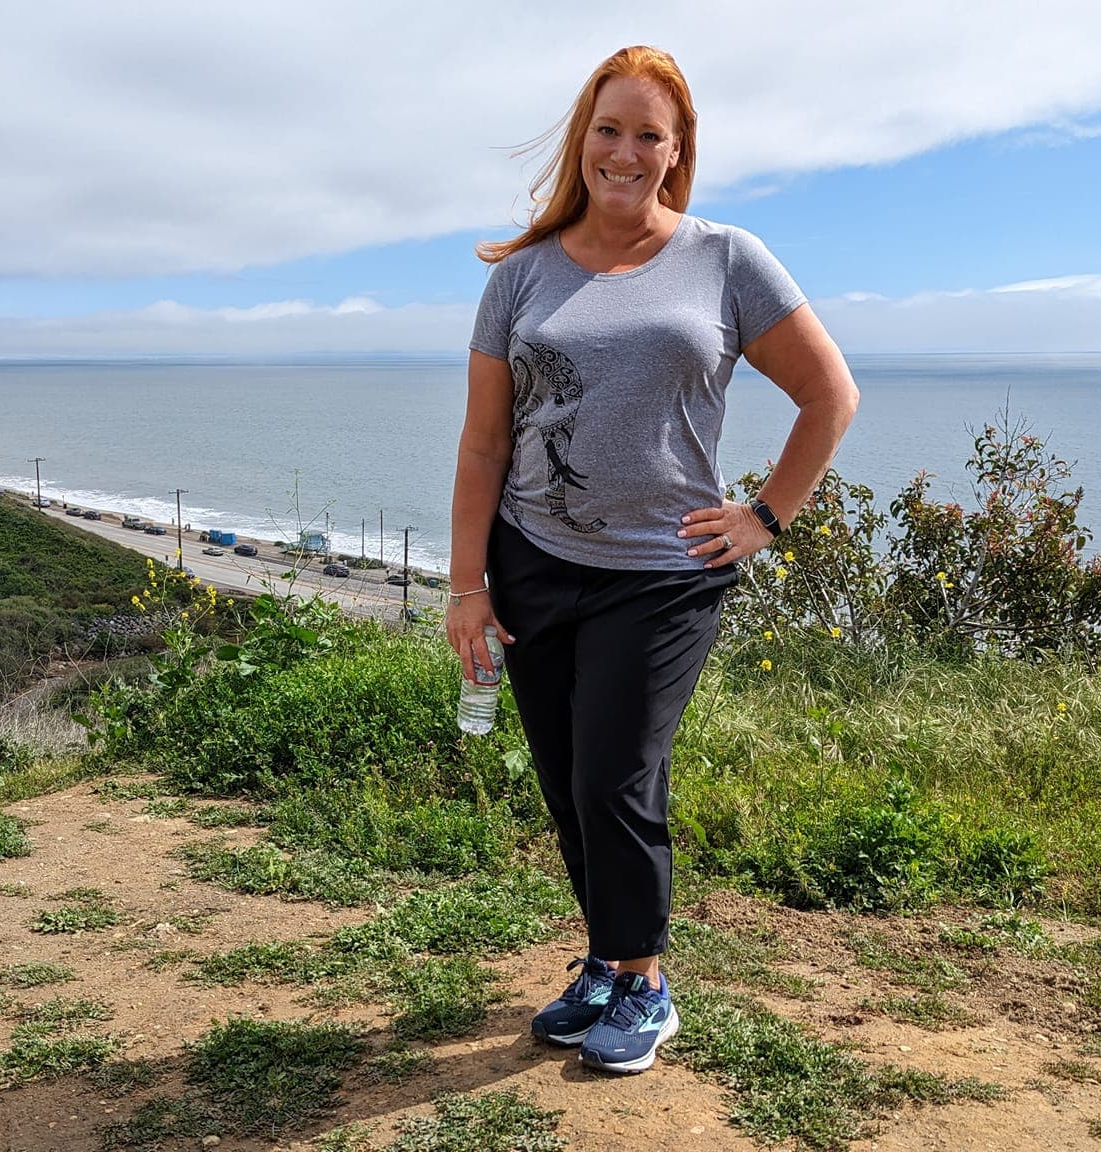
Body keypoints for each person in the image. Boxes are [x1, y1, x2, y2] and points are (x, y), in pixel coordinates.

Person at [447, 45, 859, 1075]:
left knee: (615, 776)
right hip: (534, 558)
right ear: (580, 138)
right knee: (564, 777)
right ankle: (602, 957)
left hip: (662, 572)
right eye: (606, 129)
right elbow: (485, 441)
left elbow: (828, 394)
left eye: (647, 135)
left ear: (675, 155)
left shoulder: (723, 260)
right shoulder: (523, 275)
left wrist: (765, 514)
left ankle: (643, 981)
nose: (623, 152)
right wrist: (466, 584)